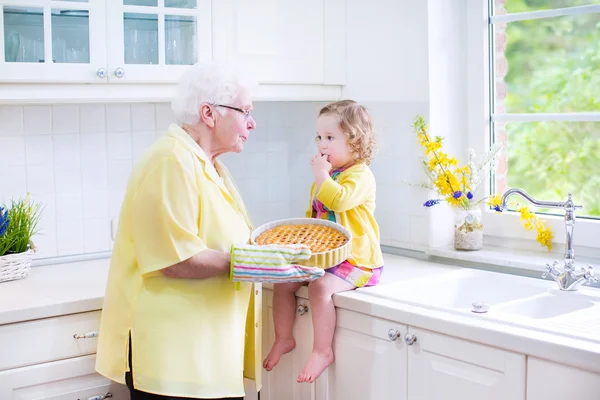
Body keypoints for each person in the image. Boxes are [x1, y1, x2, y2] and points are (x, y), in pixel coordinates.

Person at [95, 62, 323, 400]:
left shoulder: (209, 164)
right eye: (245, 111)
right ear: (209, 113)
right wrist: (259, 263)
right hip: (174, 361)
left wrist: (272, 260)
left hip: (206, 354)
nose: (252, 122)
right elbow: (174, 259)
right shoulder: (170, 160)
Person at [262, 100, 385, 383]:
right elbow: (315, 216)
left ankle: (322, 350)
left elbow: (339, 201)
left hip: (357, 261)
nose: (322, 144)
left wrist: (321, 175)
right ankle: (283, 338)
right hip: (326, 258)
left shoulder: (360, 175)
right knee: (283, 281)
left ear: (355, 141)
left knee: (319, 288)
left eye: (330, 138)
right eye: (319, 137)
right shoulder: (327, 176)